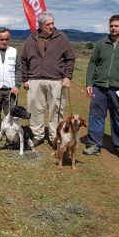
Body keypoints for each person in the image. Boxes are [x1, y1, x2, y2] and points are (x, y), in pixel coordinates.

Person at [83, 14, 119, 162]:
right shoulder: (101, 44)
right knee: (96, 116)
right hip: (99, 87)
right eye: (111, 26)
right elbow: (92, 64)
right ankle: (94, 145)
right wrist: (89, 83)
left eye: (116, 26)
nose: (113, 28)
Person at [21, 12, 76, 147]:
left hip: (56, 79)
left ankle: (55, 137)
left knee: (56, 110)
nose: (52, 26)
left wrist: (67, 76)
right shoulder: (31, 39)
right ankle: (37, 135)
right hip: (34, 79)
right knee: (34, 109)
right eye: (48, 24)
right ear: (40, 26)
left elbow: (70, 57)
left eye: (52, 23)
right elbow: (23, 60)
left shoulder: (61, 37)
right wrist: (25, 79)